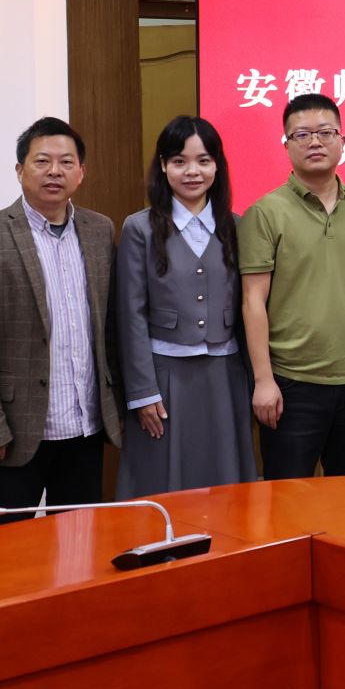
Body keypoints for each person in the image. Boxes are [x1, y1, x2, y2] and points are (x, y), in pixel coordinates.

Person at [0, 118, 123, 523]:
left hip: (86, 424)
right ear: (19, 170)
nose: (54, 171)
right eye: (42, 161)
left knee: (81, 541)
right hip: (15, 431)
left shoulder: (100, 230)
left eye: (66, 162)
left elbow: (110, 329)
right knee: (6, 548)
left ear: (81, 172)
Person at [239, 93, 345, 477]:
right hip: (292, 384)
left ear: (343, 140)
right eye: (302, 135)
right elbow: (252, 300)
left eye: (326, 133)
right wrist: (264, 380)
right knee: (288, 499)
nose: (315, 142)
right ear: (287, 145)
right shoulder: (265, 212)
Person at [116, 116, 256, 492]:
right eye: (179, 161)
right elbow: (130, 315)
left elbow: (251, 308)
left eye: (203, 160)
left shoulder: (238, 226)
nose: (192, 171)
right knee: (163, 478)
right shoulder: (139, 228)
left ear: (217, 166)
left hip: (225, 374)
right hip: (164, 376)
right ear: (163, 166)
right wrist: (143, 392)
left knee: (224, 478)